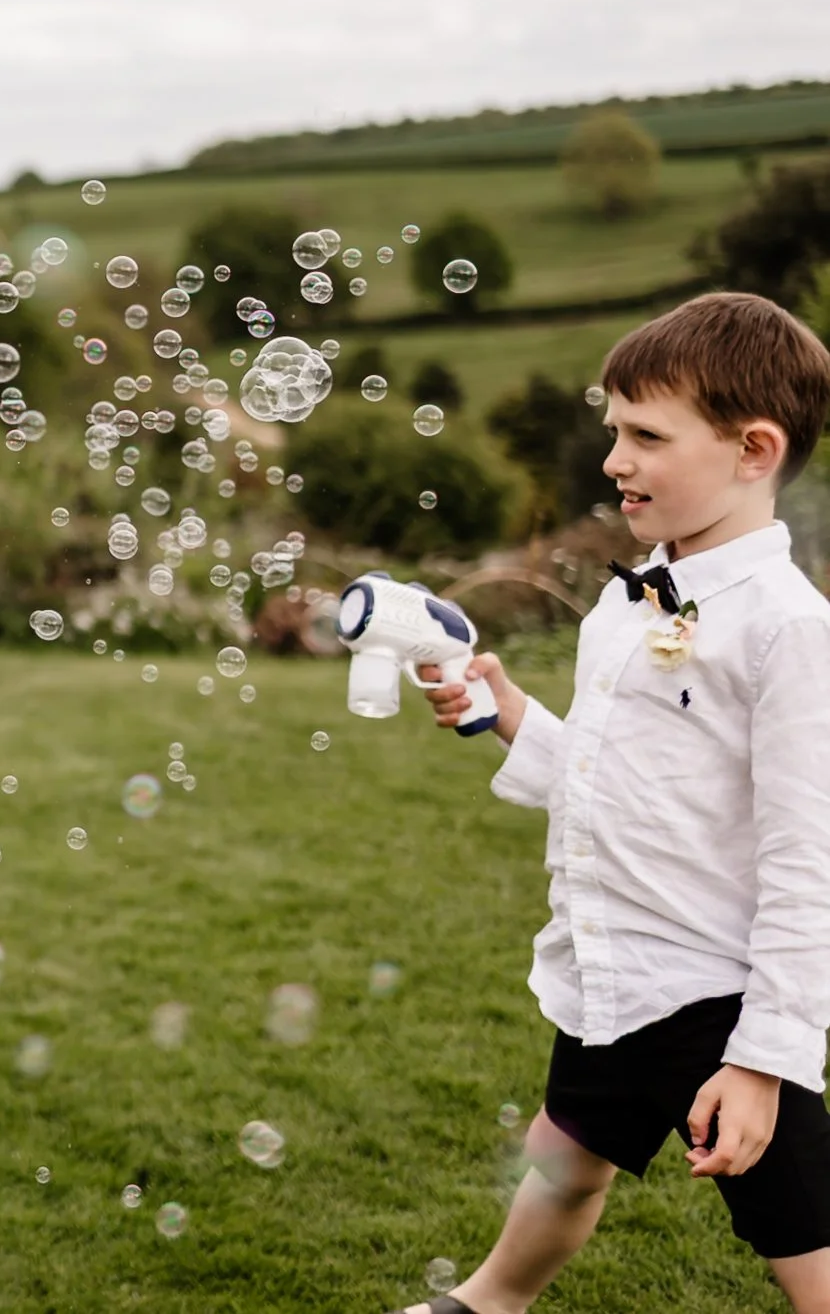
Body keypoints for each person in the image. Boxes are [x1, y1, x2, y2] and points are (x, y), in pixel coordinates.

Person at [401, 293, 830, 1314]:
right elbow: (615, 790)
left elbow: (807, 857)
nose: (614, 461)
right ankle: (490, 1298)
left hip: (713, 996)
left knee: (800, 1224)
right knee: (567, 1151)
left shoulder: (786, 629)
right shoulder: (625, 602)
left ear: (752, 449)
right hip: (612, 970)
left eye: (645, 436)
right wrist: (513, 719)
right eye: (613, 433)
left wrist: (763, 1061)